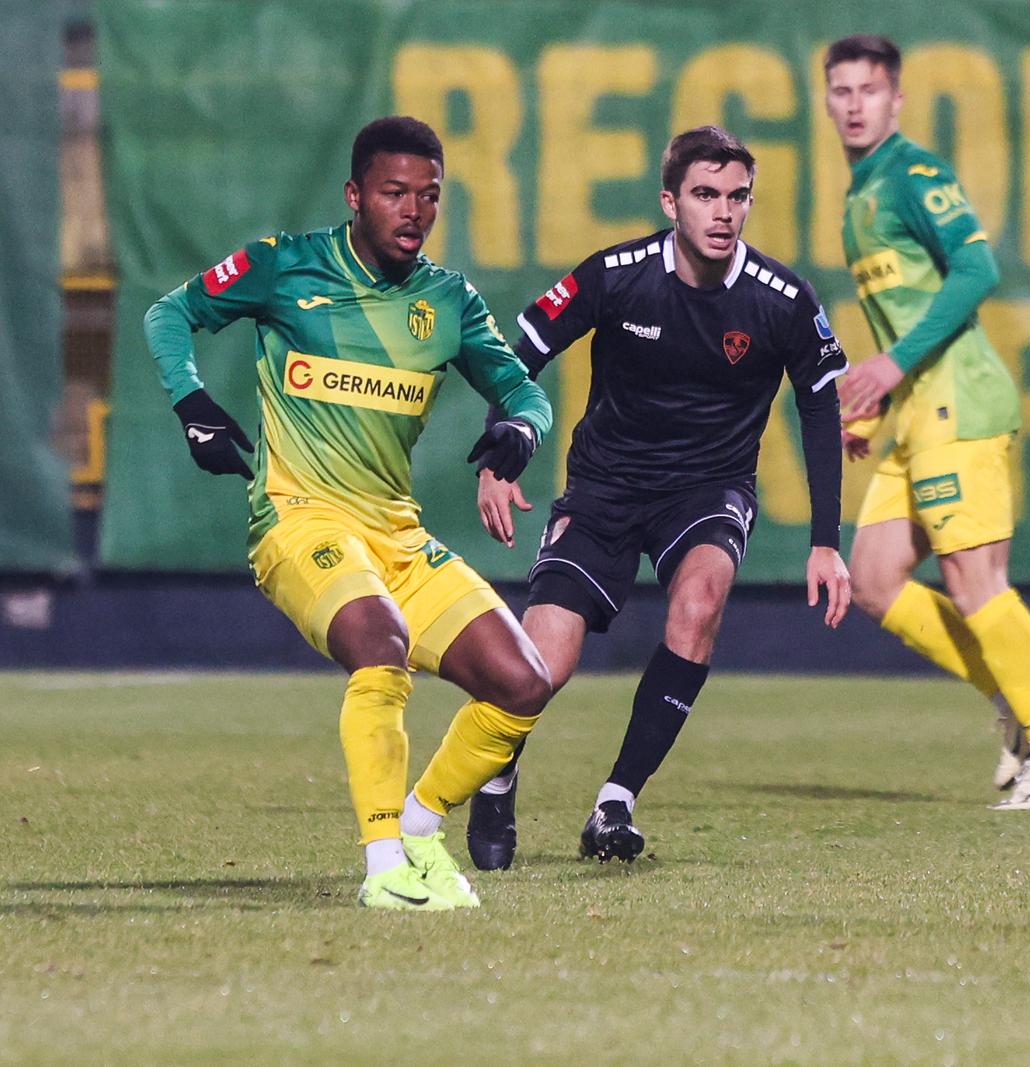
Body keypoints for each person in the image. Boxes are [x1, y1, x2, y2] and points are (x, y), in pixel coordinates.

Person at [143, 116, 558, 909]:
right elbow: (169, 313)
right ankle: (382, 869)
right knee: (381, 648)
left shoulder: (448, 301)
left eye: (429, 196)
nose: (414, 210)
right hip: (299, 522)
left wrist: (520, 427)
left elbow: (523, 388)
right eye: (395, 193)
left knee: (522, 683)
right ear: (355, 195)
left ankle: (419, 827)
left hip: (395, 533)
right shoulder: (284, 267)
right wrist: (192, 401)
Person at [464, 125, 852, 869]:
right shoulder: (617, 274)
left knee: (701, 600)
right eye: (706, 195)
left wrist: (826, 539)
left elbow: (819, 404)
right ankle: (499, 772)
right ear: (670, 200)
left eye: (738, 197)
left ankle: (616, 800)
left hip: (708, 488)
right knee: (541, 664)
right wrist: (499, 451)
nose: (724, 212)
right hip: (606, 483)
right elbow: (519, 349)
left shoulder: (782, 300)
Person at [823, 35, 1030, 810]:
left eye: (868, 90)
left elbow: (978, 268)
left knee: (976, 584)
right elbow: (909, 307)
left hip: (960, 404)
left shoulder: (914, 173)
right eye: (840, 90)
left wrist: (889, 366)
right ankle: (1020, 699)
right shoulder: (859, 193)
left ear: (896, 99)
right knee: (874, 581)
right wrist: (876, 404)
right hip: (915, 414)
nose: (853, 104)